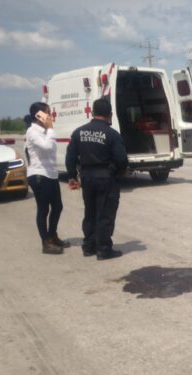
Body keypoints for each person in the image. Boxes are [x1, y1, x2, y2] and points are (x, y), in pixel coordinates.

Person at [65, 98, 128, 260]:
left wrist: (72, 176)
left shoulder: (79, 132)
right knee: (105, 214)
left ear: (93, 112)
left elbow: (70, 156)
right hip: (106, 178)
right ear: (110, 114)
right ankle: (104, 249)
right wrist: (120, 171)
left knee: (90, 212)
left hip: (86, 178)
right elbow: (121, 159)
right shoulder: (112, 134)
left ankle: (89, 246)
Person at [25, 102, 70, 254]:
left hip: (50, 174)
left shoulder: (45, 131)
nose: (50, 116)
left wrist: (49, 129)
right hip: (39, 175)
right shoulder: (32, 132)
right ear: (39, 115)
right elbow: (47, 147)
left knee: (58, 207)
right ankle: (46, 242)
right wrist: (50, 128)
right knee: (43, 209)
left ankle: (52, 235)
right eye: (47, 113)